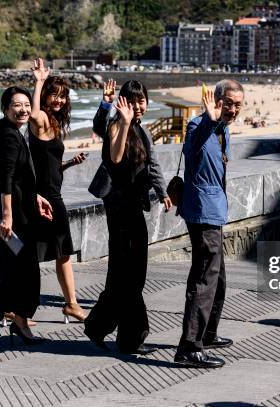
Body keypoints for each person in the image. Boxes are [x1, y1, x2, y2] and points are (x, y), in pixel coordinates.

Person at [84, 80, 171, 354]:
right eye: (132, 101)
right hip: (120, 209)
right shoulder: (115, 125)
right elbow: (116, 158)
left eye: (141, 100)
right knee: (130, 274)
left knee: (125, 274)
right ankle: (130, 338)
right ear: (123, 103)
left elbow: (153, 164)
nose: (137, 106)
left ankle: (98, 325)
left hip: (134, 206)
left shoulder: (143, 131)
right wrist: (119, 118)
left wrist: (163, 191)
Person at [174, 79, 244, 368]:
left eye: (238, 104)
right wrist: (208, 121)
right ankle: (189, 346)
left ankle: (208, 333)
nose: (233, 109)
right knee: (204, 279)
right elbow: (191, 148)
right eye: (228, 103)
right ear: (216, 101)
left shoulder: (223, 129)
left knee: (218, 279)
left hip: (214, 211)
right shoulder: (199, 125)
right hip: (203, 213)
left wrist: (217, 123)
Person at [0, 86, 53, 344]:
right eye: (16, 105)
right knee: (27, 271)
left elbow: (20, 178)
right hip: (14, 219)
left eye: (25, 105)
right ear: (5, 109)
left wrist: (36, 197)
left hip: (20, 212)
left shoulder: (8, 131)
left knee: (15, 270)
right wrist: (7, 216)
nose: (23, 109)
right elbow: (6, 180)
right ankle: (12, 317)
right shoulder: (10, 136)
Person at [29, 58, 88, 323]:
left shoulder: (54, 125)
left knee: (61, 252)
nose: (59, 100)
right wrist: (39, 82)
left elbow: (47, 166)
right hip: (42, 199)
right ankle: (16, 307)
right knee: (35, 255)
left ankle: (71, 304)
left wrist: (67, 164)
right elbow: (32, 113)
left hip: (53, 194)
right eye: (55, 95)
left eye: (63, 96)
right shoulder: (40, 121)